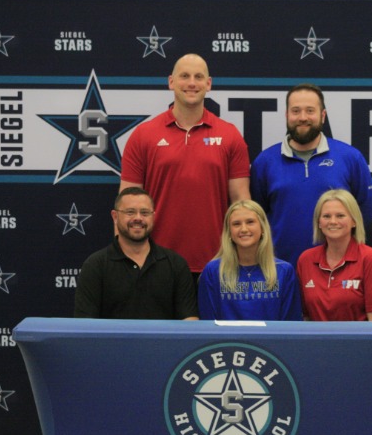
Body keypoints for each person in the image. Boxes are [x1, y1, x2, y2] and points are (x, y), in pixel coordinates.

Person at [119, 53, 250, 280]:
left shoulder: (230, 135)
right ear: (171, 82)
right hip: (154, 263)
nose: (191, 83)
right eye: (184, 76)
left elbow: (241, 201)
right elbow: (126, 204)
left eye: (198, 77)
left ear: (208, 84)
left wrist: (245, 258)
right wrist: (124, 261)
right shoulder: (143, 135)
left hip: (216, 264)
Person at [250, 83, 372, 267]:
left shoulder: (350, 158)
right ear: (286, 115)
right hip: (280, 268)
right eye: (296, 111)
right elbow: (256, 216)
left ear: (322, 116)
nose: (303, 117)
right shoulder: (264, 162)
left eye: (310, 111)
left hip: (336, 270)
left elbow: (363, 213)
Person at [75, 187, 198, 320]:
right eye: (130, 212)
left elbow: (189, 321)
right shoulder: (95, 266)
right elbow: (85, 325)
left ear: (153, 216)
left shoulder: (176, 265)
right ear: (115, 217)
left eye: (145, 213)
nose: (138, 218)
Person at [198, 200, 302, 321]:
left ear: (263, 228)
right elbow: (208, 324)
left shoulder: (284, 272)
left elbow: (290, 324)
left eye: (250, 222)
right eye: (236, 224)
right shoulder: (213, 272)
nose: (244, 229)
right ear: (229, 232)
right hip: (226, 335)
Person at [297, 189, 372, 321]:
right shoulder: (306, 260)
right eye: (326, 216)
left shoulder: (371, 258)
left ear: (354, 221)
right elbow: (305, 317)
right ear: (319, 222)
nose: (333, 221)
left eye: (340, 216)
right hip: (317, 335)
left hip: (360, 335)